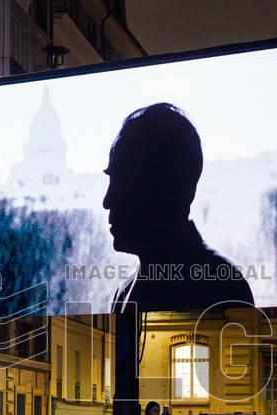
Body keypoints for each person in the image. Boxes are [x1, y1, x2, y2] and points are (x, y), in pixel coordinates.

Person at [104, 103, 253, 313]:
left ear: (162, 187)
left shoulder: (223, 287)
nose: (107, 200)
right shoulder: (223, 284)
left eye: (122, 182)